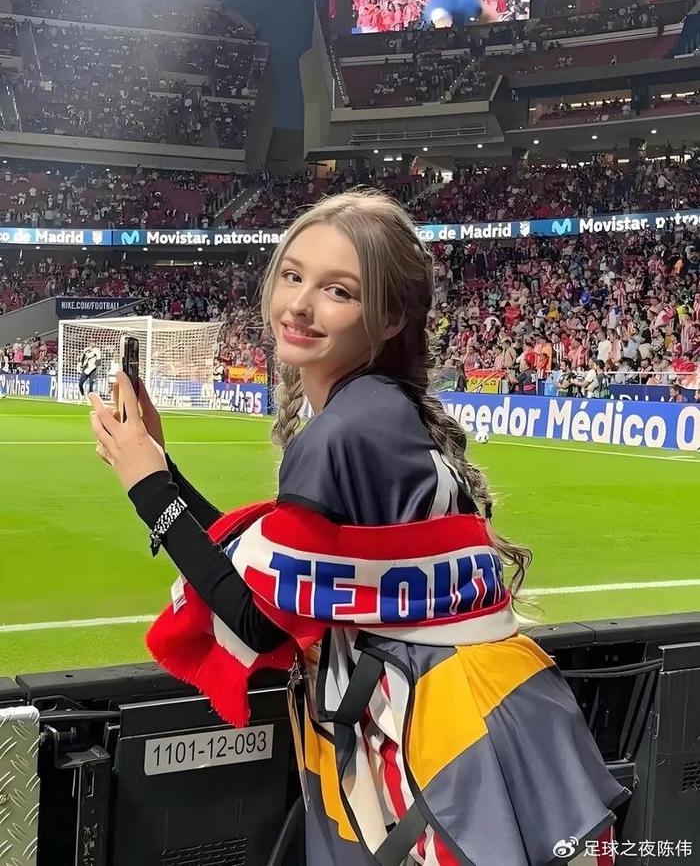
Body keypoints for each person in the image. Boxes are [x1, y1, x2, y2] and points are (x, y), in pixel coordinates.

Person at [87, 190, 629, 866]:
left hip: (437, 747)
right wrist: (161, 470)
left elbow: (261, 619)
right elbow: (279, 564)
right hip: (487, 719)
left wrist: (148, 490)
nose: (299, 305)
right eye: (293, 275)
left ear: (390, 317)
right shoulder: (378, 409)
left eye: (337, 290)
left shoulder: (342, 431)